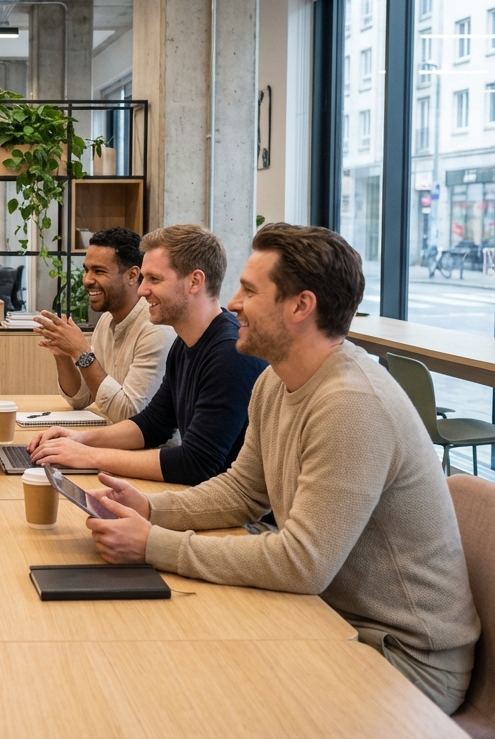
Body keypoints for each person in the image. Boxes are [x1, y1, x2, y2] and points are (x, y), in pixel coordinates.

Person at [81, 223, 479, 714]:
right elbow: (240, 492)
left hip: (404, 656)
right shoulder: (274, 381)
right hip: (328, 615)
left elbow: (302, 563)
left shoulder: (351, 404)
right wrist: (149, 509)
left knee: (199, 692)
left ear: (300, 306)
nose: (233, 304)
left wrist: (153, 544)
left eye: (250, 292)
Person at [28, 224, 266, 485]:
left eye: (154, 279)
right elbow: (151, 425)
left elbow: (197, 464)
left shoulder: (230, 353)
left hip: (232, 508)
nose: (141, 290)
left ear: (195, 282)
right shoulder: (184, 344)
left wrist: (90, 456)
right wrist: (79, 439)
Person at [34, 227, 174, 422]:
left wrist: (82, 353)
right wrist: (63, 355)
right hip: (111, 436)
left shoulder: (156, 329)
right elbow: (81, 398)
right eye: (86, 270)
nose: (87, 280)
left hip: (148, 442)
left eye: (99, 271)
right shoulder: (107, 320)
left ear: (132, 275)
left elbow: (131, 416)